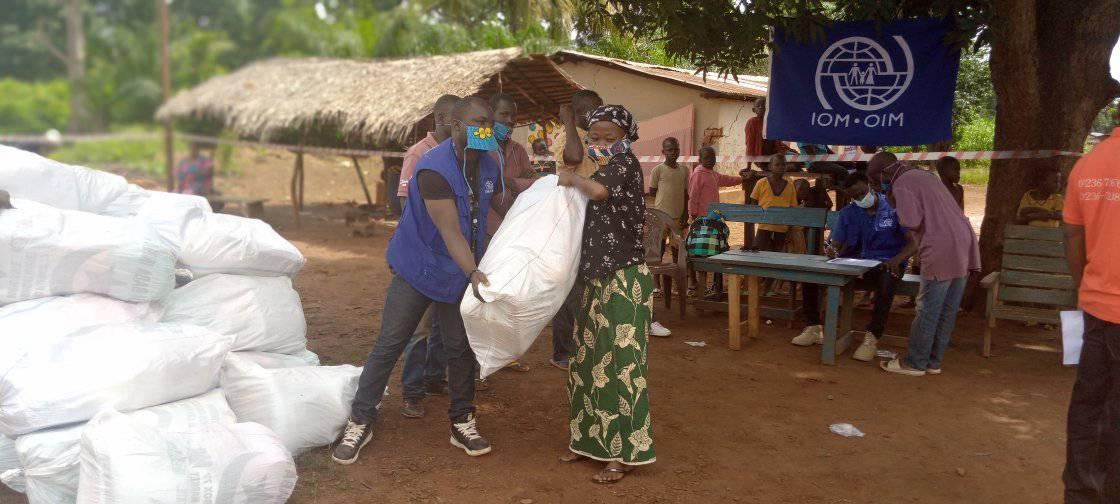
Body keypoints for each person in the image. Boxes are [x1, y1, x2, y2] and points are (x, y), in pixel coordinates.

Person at [332, 97, 504, 464]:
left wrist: (544, 197)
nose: (486, 129)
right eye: (478, 122)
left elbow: (496, 205)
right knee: (391, 342)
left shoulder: (489, 162)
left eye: (490, 122)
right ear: (456, 126)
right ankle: (361, 419)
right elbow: (449, 230)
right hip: (421, 266)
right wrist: (473, 272)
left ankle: (462, 420)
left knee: (459, 349)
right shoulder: (432, 167)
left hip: (459, 269)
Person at [555, 104, 655, 484]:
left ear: (626, 138)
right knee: (587, 364)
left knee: (623, 368)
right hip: (596, 278)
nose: (600, 144)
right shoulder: (600, 165)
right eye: (594, 137)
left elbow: (597, 191)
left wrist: (570, 179)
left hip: (625, 280)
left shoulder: (625, 163)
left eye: (609, 138)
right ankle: (587, 442)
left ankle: (624, 453)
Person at [867, 152, 979, 376]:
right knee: (946, 310)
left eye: (873, 179)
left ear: (885, 172)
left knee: (928, 308)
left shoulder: (901, 184)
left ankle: (915, 363)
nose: (873, 184)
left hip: (940, 245)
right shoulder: (922, 175)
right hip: (963, 242)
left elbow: (911, 221)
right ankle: (933, 362)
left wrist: (893, 200)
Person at [792, 173, 916, 361]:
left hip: (885, 264)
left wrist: (897, 260)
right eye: (854, 196)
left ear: (870, 185)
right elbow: (837, 243)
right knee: (812, 273)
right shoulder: (848, 213)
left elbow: (913, 243)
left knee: (887, 281)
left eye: (860, 193)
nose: (859, 199)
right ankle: (813, 327)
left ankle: (872, 337)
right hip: (853, 264)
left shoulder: (893, 208)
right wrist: (833, 250)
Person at [1062, 110, 1120, 503]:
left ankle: (1082, 495)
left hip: (1098, 309)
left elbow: (1073, 238)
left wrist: (1087, 287)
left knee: (1090, 407)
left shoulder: (1089, 163)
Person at [395, 94, 460, 419]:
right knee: (419, 328)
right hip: (423, 257)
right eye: (450, 118)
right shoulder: (418, 154)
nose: (454, 124)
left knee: (441, 325)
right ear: (438, 117)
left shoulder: (459, 156)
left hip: (450, 257)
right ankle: (412, 391)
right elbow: (407, 206)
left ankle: (434, 378)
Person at [548, 89, 605, 370]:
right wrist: (568, 121)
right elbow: (571, 159)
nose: (599, 116)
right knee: (568, 286)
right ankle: (562, 351)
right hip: (569, 217)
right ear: (580, 112)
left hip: (589, 217)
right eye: (594, 111)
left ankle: (580, 346)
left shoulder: (595, 138)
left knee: (583, 284)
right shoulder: (567, 135)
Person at [487, 93, 539, 373]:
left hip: (511, 232)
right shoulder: (480, 143)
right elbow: (483, 181)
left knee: (507, 295)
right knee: (481, 295)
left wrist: (510, 183)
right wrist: (508, 185)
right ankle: (477, 357)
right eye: (503, 114)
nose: (509, 120)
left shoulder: (518, 150)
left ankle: (504, 355)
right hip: (484, 230)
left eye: (512, 116)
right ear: (490, 115)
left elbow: (532, 180)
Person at [688, 145, 749, 298]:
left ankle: (717, 287)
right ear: (700, 159)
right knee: (704, 252)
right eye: (707, 158)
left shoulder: (713, 174)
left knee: (716, 250)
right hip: (702, 221)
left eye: (713, 157)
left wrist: (742, 178)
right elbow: (693, 196)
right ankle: (703, 287)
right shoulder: (698, 174)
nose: (711, 160)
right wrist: (693, 215)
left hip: (714, 220)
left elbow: (726, 179)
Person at [749, 154, 798, 251]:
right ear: (770, 166)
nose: (780, 167)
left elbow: (792, 208)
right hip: (764, 225)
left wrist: (790, 229)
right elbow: (753, 203)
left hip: (782, 227)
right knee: (758, 252)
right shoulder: (761, 183)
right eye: (777, 165)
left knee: (777, 254)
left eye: (783, 165)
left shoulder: (790, 185)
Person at [744, 98, 794, 172]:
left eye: (764, 105)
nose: (761, 107)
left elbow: (778, 143)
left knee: (800, 160)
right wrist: (748, 166)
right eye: (758, 106)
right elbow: (750, 144)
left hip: (777, 154)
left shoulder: (772, 122)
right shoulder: (752, 122)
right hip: (762, 159)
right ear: (754, 110)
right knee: (791, 167)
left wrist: (789, 150)